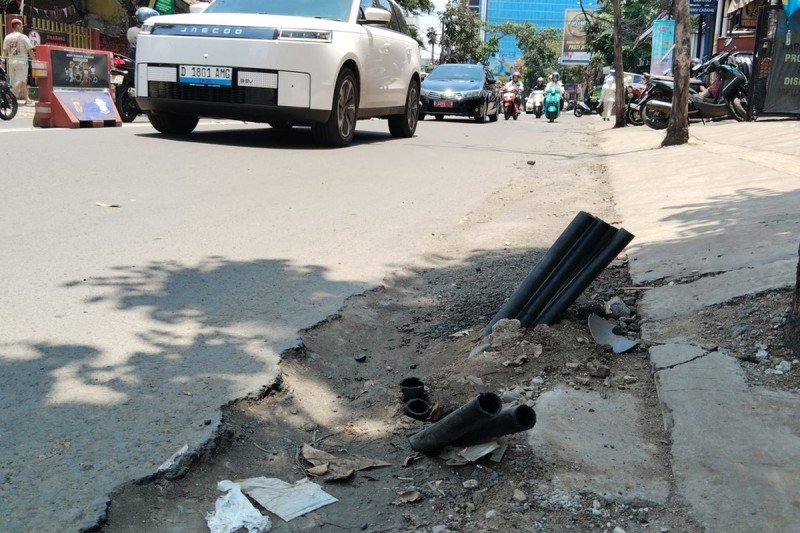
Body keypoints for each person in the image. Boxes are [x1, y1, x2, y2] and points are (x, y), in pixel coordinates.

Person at [3, 18, 35, 105]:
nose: (22, 28)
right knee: (21, 80)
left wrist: (2, 61)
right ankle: (8, 96)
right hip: (21, 62)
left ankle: (27, 99)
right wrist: (35, 60)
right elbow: (30, 50)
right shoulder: (23, 37)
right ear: (18, 26)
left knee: (18, 81)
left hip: (11, 62)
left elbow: (4, 51)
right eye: (21, 26)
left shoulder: (7, 37)